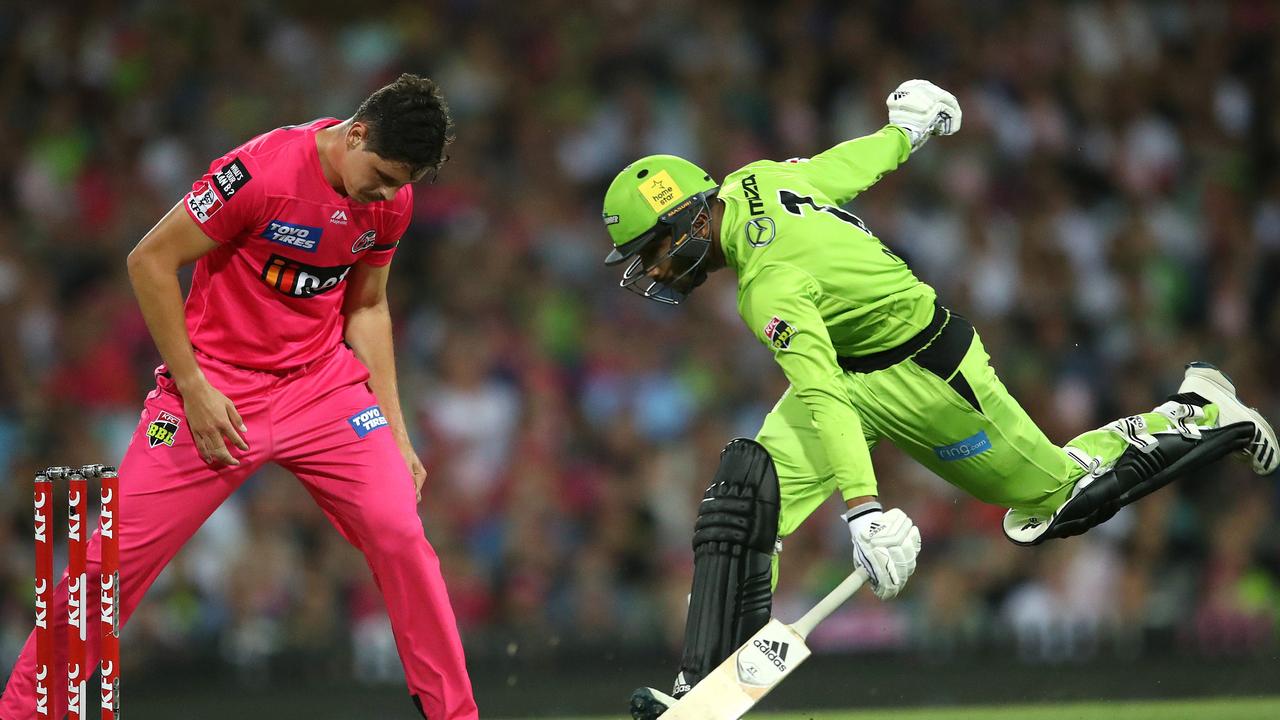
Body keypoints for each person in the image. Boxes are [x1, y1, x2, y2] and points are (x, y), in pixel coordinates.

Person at [599, 79, 1278, 719]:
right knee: (746, 495)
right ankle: (702, 693)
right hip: (852, 369)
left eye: (654, 250)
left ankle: (1205, 410)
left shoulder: (767, 288)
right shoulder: (756, 180)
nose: (654, 271)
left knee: (1062, 501)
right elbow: (842, 167)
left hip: (926, 377)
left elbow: (824, 393)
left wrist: (862, 511)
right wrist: (903, 132)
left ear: (689, 218)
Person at [0, 73, 479, 720]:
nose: (390, 194)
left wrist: (396, 430)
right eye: (385, 175)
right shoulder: (258, 175)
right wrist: (193, 386)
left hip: (322, 390)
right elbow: (148, 261)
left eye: (403, 185)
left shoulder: (390, 202)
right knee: (110, 566)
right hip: (217, 393)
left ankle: (455, 715)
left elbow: (367, 308)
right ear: (357, 133)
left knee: (402, 534)